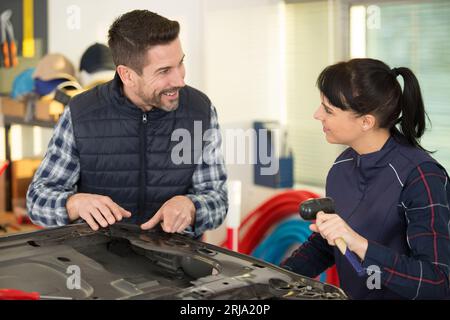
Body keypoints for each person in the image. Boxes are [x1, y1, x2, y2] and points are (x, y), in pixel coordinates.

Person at [26, 10, 228, 238]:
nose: (180, 80)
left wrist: (192, 207)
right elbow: (37, 201)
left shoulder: (200, 111)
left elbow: (217, 199)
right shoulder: (80, 113)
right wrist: (74, 204)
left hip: (175, 265)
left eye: (180, 63)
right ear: (127, 75)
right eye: (164, 71)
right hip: (96, 265)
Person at [281, 58, 450, 299]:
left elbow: (437, 283)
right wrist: (276, 279)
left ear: (366, 122)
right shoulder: (342, 167)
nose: (317, 115)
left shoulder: (421, 176)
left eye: (328, 110)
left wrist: (359, 243)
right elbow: (329, 244)